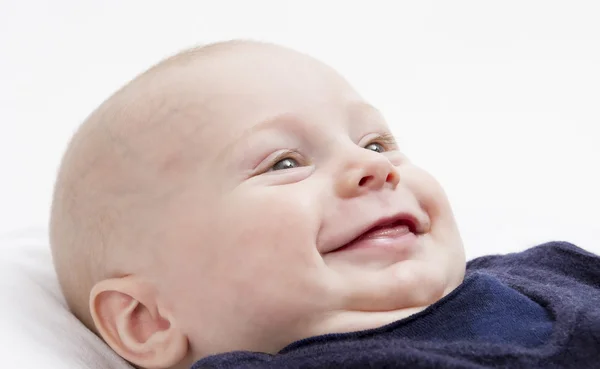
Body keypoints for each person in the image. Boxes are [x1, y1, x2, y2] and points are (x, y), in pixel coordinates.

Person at [49, 40, 600, 369]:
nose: (373, 167)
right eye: (284, 163)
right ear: (148, 320)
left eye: (375, 142)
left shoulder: (549, 268)